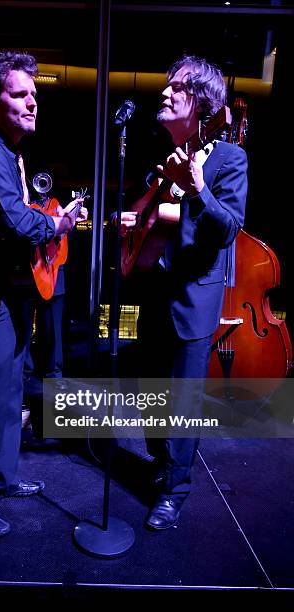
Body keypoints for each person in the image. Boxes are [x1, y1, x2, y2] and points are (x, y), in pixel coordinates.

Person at [0, 50, 87, 537]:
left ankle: (4, 477)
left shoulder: (8, 152)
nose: (32, 103)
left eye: (34, 94)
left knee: (10, 396)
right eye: (19, 94)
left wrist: (47, 219)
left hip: (5, 301)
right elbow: (14, 220)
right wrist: (57, 222)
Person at [118, 55, 248, 529]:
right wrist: (135, 221)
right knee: (151, 393)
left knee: (183, 402)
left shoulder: (230, 159)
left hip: (193, 299)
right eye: (166, 86)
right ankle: (160, 465)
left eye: (178, 88)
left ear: (203, 103)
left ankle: (175, 490)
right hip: (153, 293)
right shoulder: (162, 160)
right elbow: (155, 223)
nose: (166, 93)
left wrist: (196, 192)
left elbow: (229, 229)